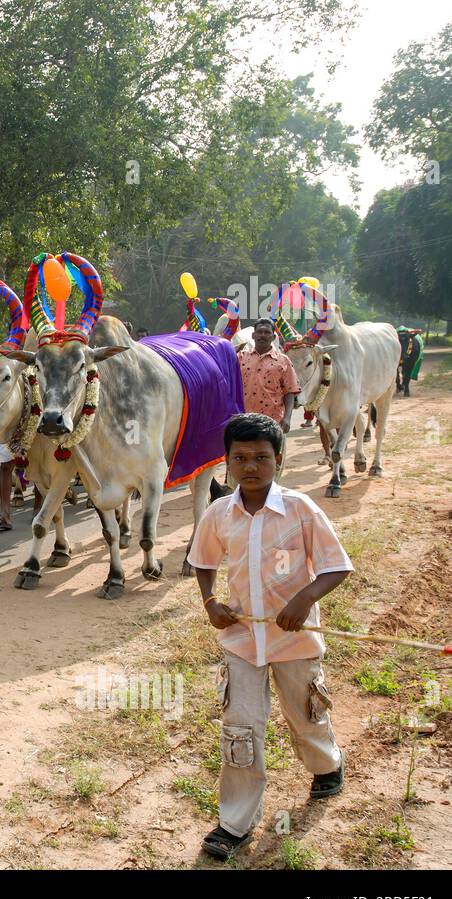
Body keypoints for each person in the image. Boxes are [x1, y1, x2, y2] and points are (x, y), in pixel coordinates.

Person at [189, 413, 352, 861]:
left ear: (278, 458)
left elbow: (336, 565)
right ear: (227, 461)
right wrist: (210, 602)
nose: (251, 466)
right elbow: (202, 561)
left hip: (293, 641)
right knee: (240, 729)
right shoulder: (219, 513)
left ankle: (326, 765)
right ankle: (234, 823)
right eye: (240, 457)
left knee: (306, 714)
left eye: (261, 457)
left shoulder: (301, 509)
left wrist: (304, 599)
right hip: (242, 641)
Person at [237, 318, 300, 476]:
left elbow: (290, 392)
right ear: (253, 335)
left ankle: (269, 500)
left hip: (272, 424)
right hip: (244, 422)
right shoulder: (240, 358)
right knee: (242, 469)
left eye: (267, 332)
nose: (262, 335)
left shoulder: (283, 361)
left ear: (273, 336)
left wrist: (287, 418)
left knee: (270, 469)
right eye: (259, 332)